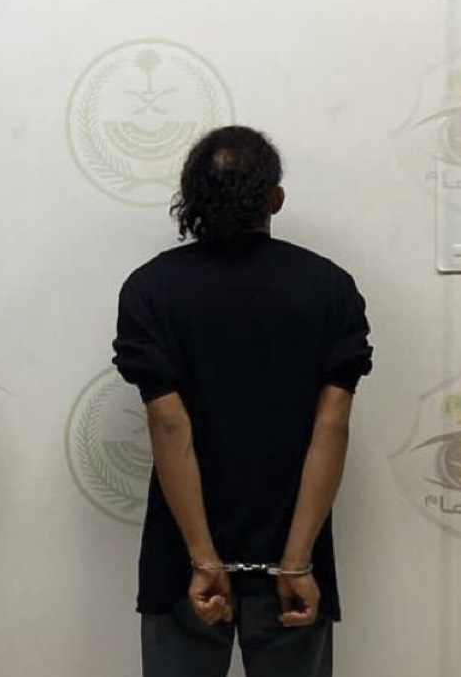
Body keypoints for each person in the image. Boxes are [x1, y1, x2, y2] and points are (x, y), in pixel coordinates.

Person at [112, 126, 372, 677]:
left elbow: (170, 426)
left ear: (191, 198)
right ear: (275, 199)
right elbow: (331, 430)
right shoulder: (329, 287)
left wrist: (203, 558)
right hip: (293, 560)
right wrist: (296, 561)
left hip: (182, 559)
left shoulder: (150, 289)